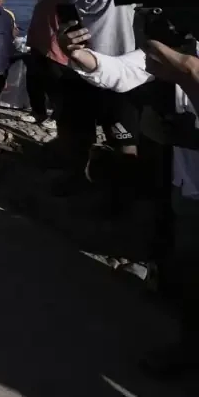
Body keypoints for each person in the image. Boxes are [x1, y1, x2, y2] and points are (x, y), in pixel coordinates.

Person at [60, 34, 199, 378]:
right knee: (191, 276)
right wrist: (79, 55)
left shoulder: (186, 60)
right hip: (190, 186)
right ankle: (189, 348)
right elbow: (121, 72)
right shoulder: (184, 39)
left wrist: (188, 74)